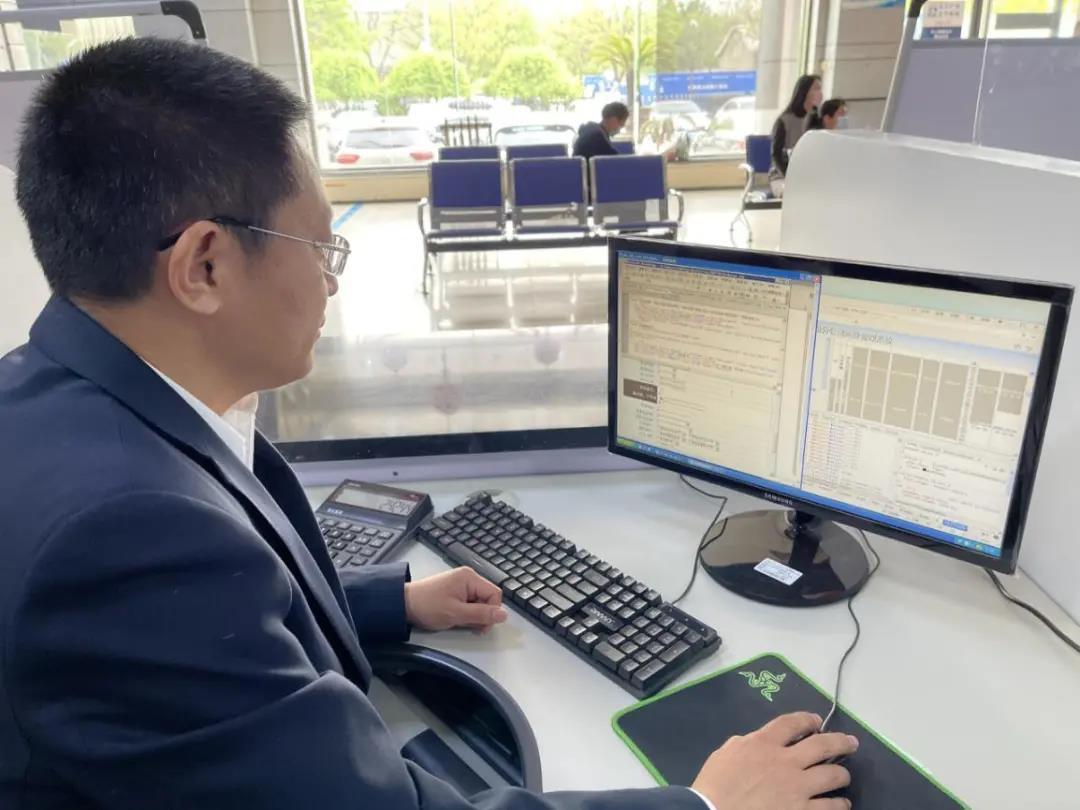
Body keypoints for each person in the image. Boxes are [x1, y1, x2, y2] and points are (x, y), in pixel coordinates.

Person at [0, 38, 857, 809]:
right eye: (321, 248)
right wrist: (708, 805)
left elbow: (204, 641)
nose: (332, 283)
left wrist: (393, 603)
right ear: (205, 266)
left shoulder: (60, 397)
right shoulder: (127, 536)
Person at [769, 74, 823, 198]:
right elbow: (776, 155)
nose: (820, 93)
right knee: (798, 194)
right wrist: (791, 177)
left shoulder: (815, 119)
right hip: (782, 175)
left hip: (806, 175)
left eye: (820, 88)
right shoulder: (784, 120)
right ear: (804, 91)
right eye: (816, 88)